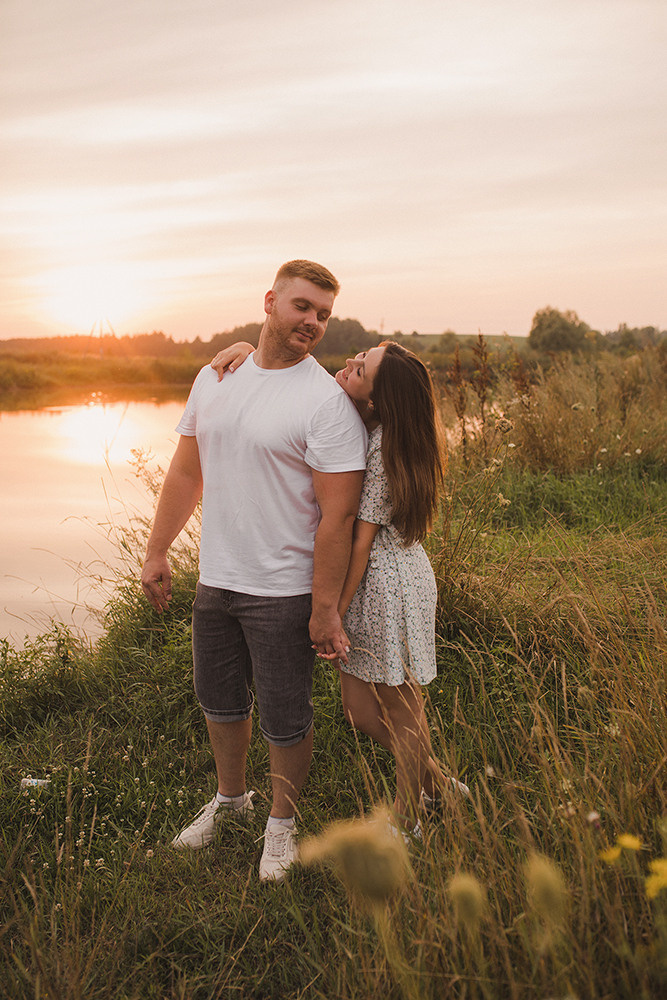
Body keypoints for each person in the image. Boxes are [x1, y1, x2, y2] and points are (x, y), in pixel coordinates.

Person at [141, 260, 367, 882]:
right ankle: (231, 801)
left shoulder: (326, 403)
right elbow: (187, 471)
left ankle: (282, 825)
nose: (313, 322)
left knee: (285, 715)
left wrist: (325, 607)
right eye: (302, 306)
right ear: (270, 302)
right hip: (216, 577)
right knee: (218, 700)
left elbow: (337, 517)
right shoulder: (216, 376)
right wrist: (158, 550)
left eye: (323, 314)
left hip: (284, 588)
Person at [212, 339, 468, 839]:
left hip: (387, 586)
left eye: (361, 368)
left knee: (400, 706)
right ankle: (437, 784)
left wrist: (334, 612)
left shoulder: (382, 448)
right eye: (360, 356)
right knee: (360, 711)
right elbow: (291, 368)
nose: (349, 363)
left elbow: (360, 541)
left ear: (375, 401)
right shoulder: (368, 422)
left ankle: (409, 818)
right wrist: (249, 349)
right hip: (379, 581)